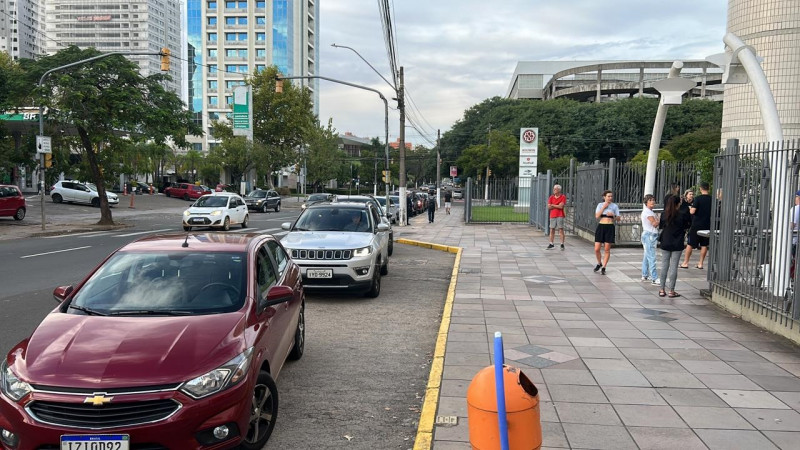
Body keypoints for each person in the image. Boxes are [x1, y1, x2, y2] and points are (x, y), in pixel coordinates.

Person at [658, 195, 691, 297]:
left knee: (664, 265)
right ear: (678, 204)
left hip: (665, 241)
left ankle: (662, 289)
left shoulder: (664, 214)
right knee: (674, 266)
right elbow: (688, 225)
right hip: (677, 241)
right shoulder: (682, 214)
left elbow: (661, 226)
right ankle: (671, 290)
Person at [682, 182, 712, 269]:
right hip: (707, 224)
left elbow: (692, 212)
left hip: (697, 224)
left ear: (700, 188)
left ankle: (685, 263)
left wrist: (690, 208)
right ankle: (701, 263)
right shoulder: (712, 199)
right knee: (704, 244)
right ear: (708, 188)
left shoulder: (698, 199)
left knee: (690, 244)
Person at [594, 190, 620, 275]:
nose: (610, 198)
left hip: (610, 226)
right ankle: (599, 263)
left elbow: (619, 218)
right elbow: (597, 216)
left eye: (611, 196)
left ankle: (604, 267)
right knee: (597, 249)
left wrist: (613, 215)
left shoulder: (614, 206)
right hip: (601, 226)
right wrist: (603, 207)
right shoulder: (600, 205)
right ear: (604, 197)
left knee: (607, 249)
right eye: (608, 196)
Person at [640, 194, 660, 284]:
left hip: (649, 234)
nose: (652, 202)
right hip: (649, 235)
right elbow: (654, 224)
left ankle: (645, 274)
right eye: (650, 200)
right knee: (652, 257)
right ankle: (654, 278)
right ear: (646, 202)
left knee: (647, 256)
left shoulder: (650, 211)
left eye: (653, 200)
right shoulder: (647, 212)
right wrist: (659, 220)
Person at [547, 184, 566, 250]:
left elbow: (561, 207)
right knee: (552, 229)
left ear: (559, 190)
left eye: (555, 189)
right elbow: (549, 207)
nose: (554, 190)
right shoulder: (551, 197)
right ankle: (551, 243)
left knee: (560, 229)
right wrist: (557, 205)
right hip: (552, 215)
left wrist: (553, 205)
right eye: (554, 189)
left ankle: (562, 244)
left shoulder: (563, 197)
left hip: (560, 215)